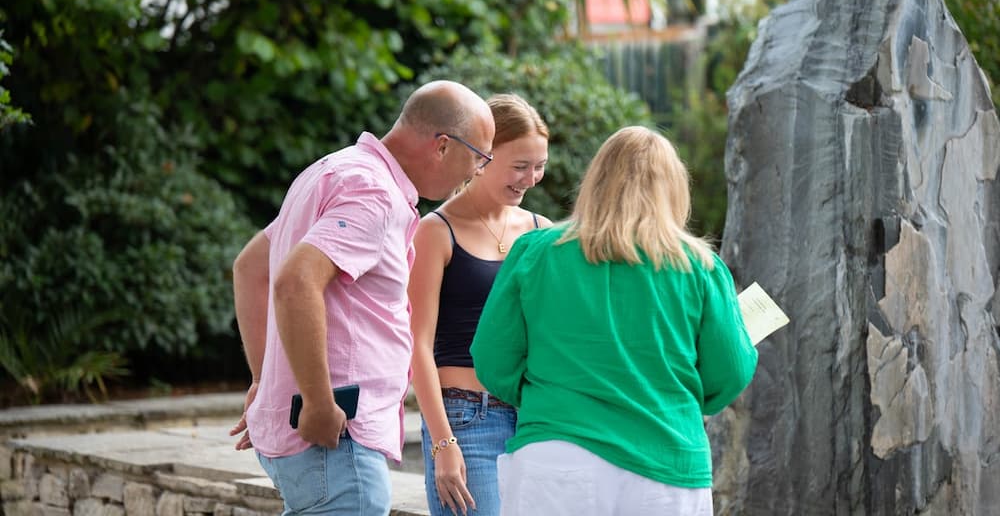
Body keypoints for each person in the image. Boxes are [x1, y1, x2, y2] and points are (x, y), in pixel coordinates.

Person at [228, 80, 495, 516]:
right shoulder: (374, 193)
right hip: (335, 438)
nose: (476, 173)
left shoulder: (334, 170)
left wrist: (266, 381)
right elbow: (295, 280)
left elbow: (251, 268)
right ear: (443, 145)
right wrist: (316, 401)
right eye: (479, 157)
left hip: (314, 440)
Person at [470, 126, 759, 516]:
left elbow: (492, 358)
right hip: (667, 460)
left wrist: (547, 395)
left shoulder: (535, 252)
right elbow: (730, 371)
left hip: (556, 453)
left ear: (596, 179)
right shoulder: (701, 267)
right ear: (673, 188)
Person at [408, 93, 552, 516]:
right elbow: (417, 344)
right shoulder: (436, 231)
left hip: (532, 419)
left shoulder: (542, 231)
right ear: (484, 156)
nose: (531, 179)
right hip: (466, 420)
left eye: (540, 166)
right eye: (520, 166)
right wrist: (442, 442)